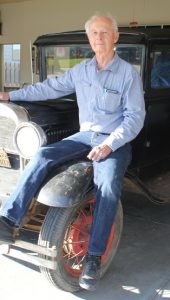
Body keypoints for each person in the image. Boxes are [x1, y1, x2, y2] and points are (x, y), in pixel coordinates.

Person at [0, 14, 145, 291]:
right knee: (42, 154)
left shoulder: (128, 74)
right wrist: (11, 96)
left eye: (104, 32)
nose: (98, 37)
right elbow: (49, 88)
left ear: (115, 37)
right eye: (93, 33)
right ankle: (9, 219)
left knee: (107, 186)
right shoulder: (82, 70)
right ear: (89, 39)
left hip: (114, 142)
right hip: (84, 136)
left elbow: (135, 118)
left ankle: (93, 257)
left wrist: (109, 144)